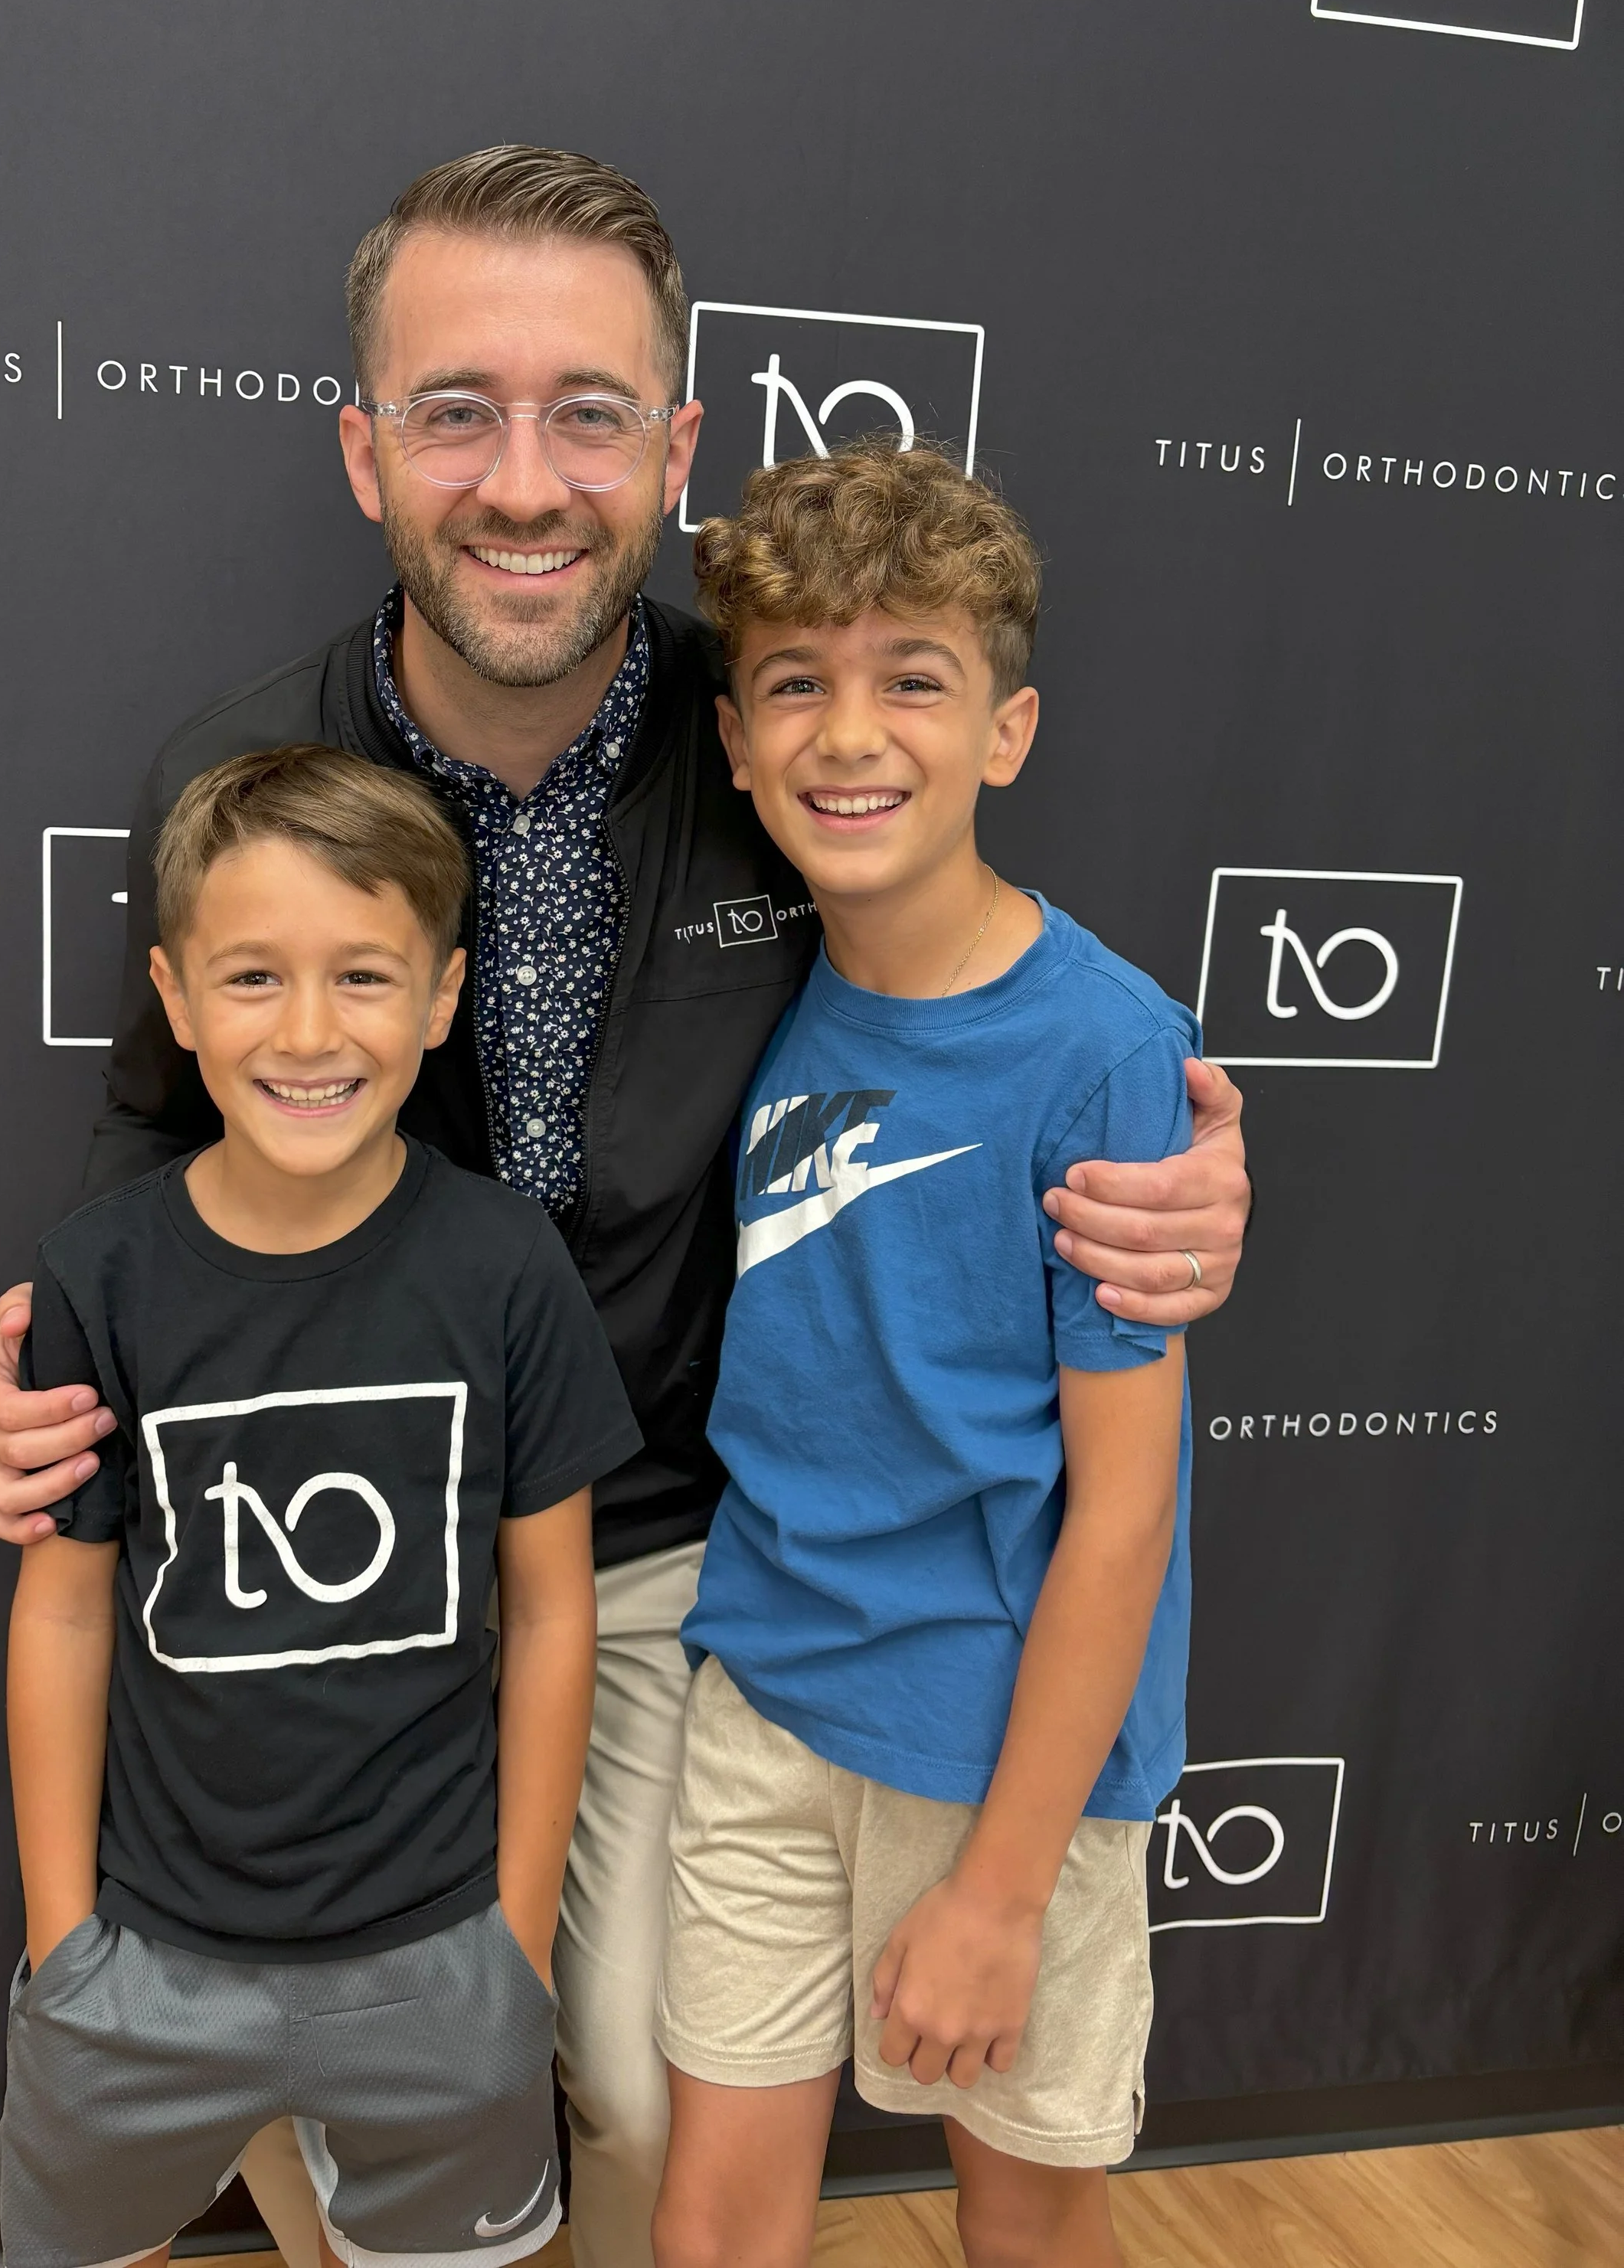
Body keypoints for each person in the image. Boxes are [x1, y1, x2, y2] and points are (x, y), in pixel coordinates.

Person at [0, 146, 1253, 2267]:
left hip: (658, 1535)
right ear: (366, 446)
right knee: (271, 2029)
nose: (524, 482)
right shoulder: (245, 764)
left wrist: (1190, 1180)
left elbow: (987, 1019)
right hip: (324, 1529)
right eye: (457, 410)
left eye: (586, 413)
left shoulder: (770, 733)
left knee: (651, 2088)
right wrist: (49, 1383)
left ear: (676, 442)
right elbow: (139, 1143)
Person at [0, 744, 640, 2268]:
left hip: (433, 1948)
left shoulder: (501, 1268)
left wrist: (516, 1941)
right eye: (253, 976)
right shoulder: (100, 1272)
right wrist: (62, 1940)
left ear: (442, 997)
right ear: (178, 994)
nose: (308, 1029)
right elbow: (65, 1607)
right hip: (139, 1958)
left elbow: (548, 1607)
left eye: (361, 975)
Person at [649, 442, 1194, 2268]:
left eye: (913, 681)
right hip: (766, 1694)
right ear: (733, 742)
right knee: (715, 2225)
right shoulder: (767, 988)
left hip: (1005, 1753)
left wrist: (1004, 1884)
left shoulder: (1105, 1049)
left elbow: (1123, 1518)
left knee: (1025, 2232)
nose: (846, 733)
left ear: (1007, 732)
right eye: (795, 682)